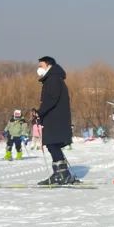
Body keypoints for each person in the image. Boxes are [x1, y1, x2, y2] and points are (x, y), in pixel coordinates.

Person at [36, 56, 79, 185]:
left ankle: (62, 174)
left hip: (55, 119)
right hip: (54, 118)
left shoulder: (53, 79)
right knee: (52, 145)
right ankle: (61, 174)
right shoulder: (52, 78)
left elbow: (51, 99)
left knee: (52, 144)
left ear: (49, 66)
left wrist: (39, 112)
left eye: (41, 66)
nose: (38, 69)